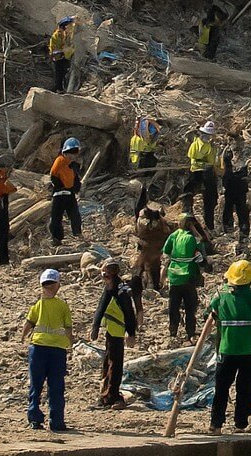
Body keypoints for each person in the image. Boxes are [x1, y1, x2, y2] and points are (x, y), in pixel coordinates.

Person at [206, 259, 251, 433]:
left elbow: (212, 316)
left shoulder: (220, 296)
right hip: (248, 350)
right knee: (245, 388)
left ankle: (215, 424)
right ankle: (241, 423)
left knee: (221, 388)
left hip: (226, 349)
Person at [20, 268, 72, 431]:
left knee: (36, 385)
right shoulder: (63, 306)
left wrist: (22, 337)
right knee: (56, 386)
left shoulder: (37, 305)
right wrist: (71, 343)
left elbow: (28, 324)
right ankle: (57, 422)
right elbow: (68, 328)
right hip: (57, 349)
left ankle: (34, 419)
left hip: (38, 348)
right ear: (57, 285)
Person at [90, 259, 137, 408]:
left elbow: (129, 312)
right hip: (110, 331)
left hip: (117, 332)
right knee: (108, 363)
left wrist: (131, 333)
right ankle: (106, 395)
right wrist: (95, 327)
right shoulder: (110, 287)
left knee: (114, 364)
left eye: (105, 274)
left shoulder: (121, 291)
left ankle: (113, 395)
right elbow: (101, 307)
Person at [162, 215, 206, 339]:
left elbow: (166, 251)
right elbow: (202, 256)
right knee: (190, 306)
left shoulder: (174, 235)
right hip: (189, 275)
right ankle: (190, 331)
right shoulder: (194, 238)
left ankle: (173, 330)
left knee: (173, 305)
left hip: (174, 276)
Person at [130, 190, 171, 315]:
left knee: (139, 268)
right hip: (156, 248)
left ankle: (137, 287)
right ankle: (154, 286)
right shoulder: (160, 222)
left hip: (147, 248)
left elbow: (139, 230)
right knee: (153, 267)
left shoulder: (143, 220)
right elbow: (167, 232)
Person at [183, 121, 220, 231]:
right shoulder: (197, 144)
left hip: (208, 172)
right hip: (197, 171)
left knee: (211, 199)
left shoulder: (210, 146)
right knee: (188, 193)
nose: (207, 137)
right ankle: (186, 216)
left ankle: (209, 226)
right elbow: (194, 157)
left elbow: (212, 161)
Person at [48, 138, 83, 245]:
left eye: (75, 152)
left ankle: (77, 234)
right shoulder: (59, 161)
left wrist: (76, 187)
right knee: (56, 217)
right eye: (72, 152)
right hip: (59, 194)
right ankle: (56, 238)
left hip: (69, 194)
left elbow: (76, 179)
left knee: (75, 215)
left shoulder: (73, 165)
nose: (73, 155)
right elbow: (53, 176)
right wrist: (59, 186)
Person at [221, 150, 250, 245]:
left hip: (239, 186)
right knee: (229, 206)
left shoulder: (245, 154)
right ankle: (228, 226)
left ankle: (243, 229)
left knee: (241, 208)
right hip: (231, 185)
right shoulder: (227, 154)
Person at [49, 16, 76, 92]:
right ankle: (58, 89)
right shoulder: (57, 36)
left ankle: (61, 88)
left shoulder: (64, 34)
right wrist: (65, 50)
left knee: (63, 73)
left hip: (63, 57)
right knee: (59, 74)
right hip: (58, 57)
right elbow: (55, 50)